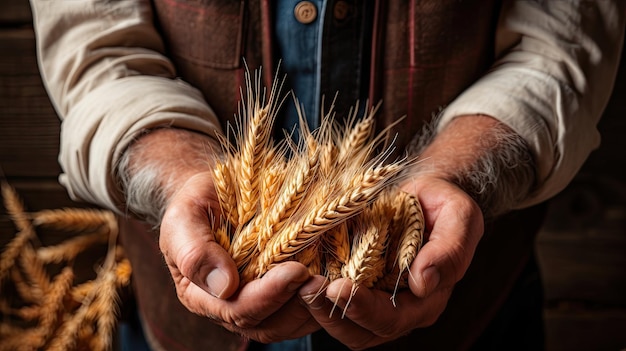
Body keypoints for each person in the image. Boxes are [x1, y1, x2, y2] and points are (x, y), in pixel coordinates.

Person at [30, 0, 624, 350]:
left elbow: (560, 46)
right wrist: (180, 176)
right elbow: (96, 49)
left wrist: (457, 177)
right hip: (177, 331)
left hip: (476, 318)